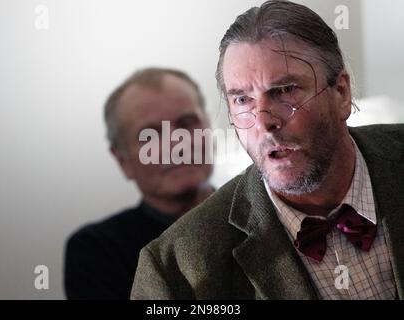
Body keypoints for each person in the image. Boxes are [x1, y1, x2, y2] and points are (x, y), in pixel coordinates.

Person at [131, 1, 404, 300]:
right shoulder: (178, 272)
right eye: (242, 100)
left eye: (285, 90)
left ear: (341, 93)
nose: (263, 122)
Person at [64, 67, 214, 299]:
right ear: (123, 160)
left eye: (187, 123)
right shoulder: (97, 251)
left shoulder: (265, 213)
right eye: (150, 135)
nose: (178, 144)